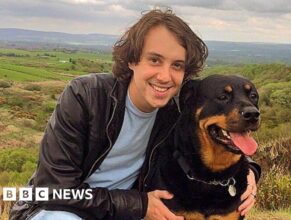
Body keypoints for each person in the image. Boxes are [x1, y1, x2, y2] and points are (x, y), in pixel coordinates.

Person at [10, 8, 260, 220]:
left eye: (176, 65)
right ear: (132, 60)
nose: (164, 76)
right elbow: (54, 191)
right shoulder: (85, 97)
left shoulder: (175, 113)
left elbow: (208, 149)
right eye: (154, 60)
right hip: (61, 210)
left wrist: (250, 172)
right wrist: (139, 204)